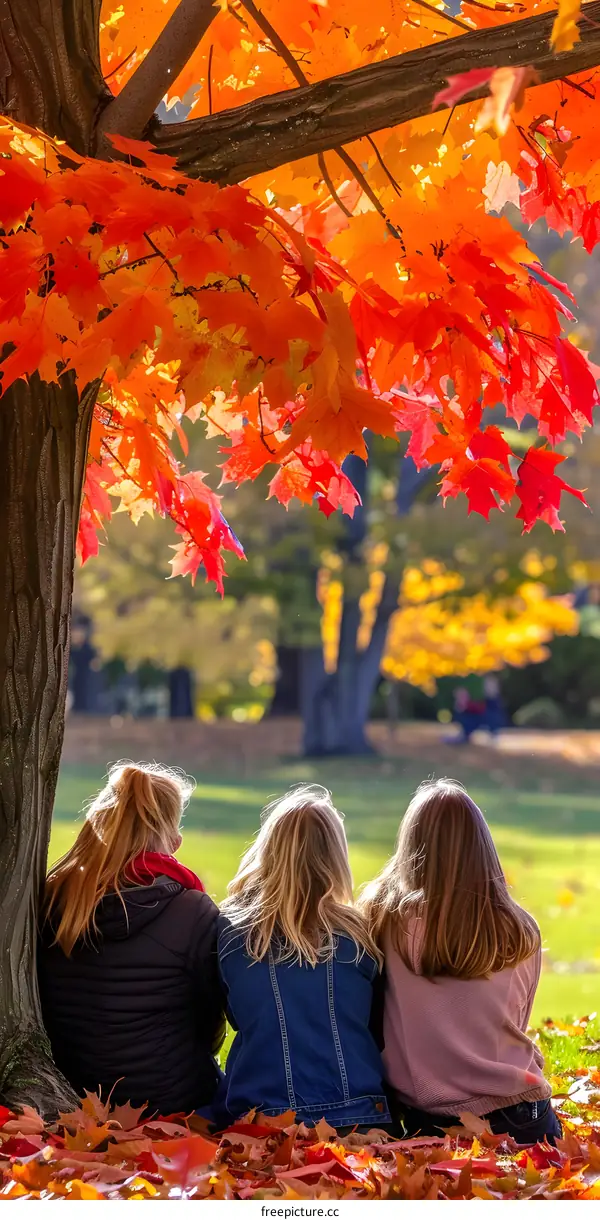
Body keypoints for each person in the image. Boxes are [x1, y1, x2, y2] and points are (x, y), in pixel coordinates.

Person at [360, 779, 560, 1145]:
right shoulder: (519, 929)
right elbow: (516, 1020)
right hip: (522, 1117)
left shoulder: (383, 917)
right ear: (482, 846)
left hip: (432, 1121)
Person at [39, 761, 225, 1117]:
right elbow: (210, 1022)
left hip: (76, 1099)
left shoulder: (55, 894)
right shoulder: (191, 910)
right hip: (170, 1106)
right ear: (173, 838)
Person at [211, 784, 391, 1132]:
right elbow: (378, 1028)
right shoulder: (360, 935)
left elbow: (233, 1017)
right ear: (336, 857)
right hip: (360, 1116)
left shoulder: (231, 931)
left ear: (269, 850)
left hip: (260, 1117)